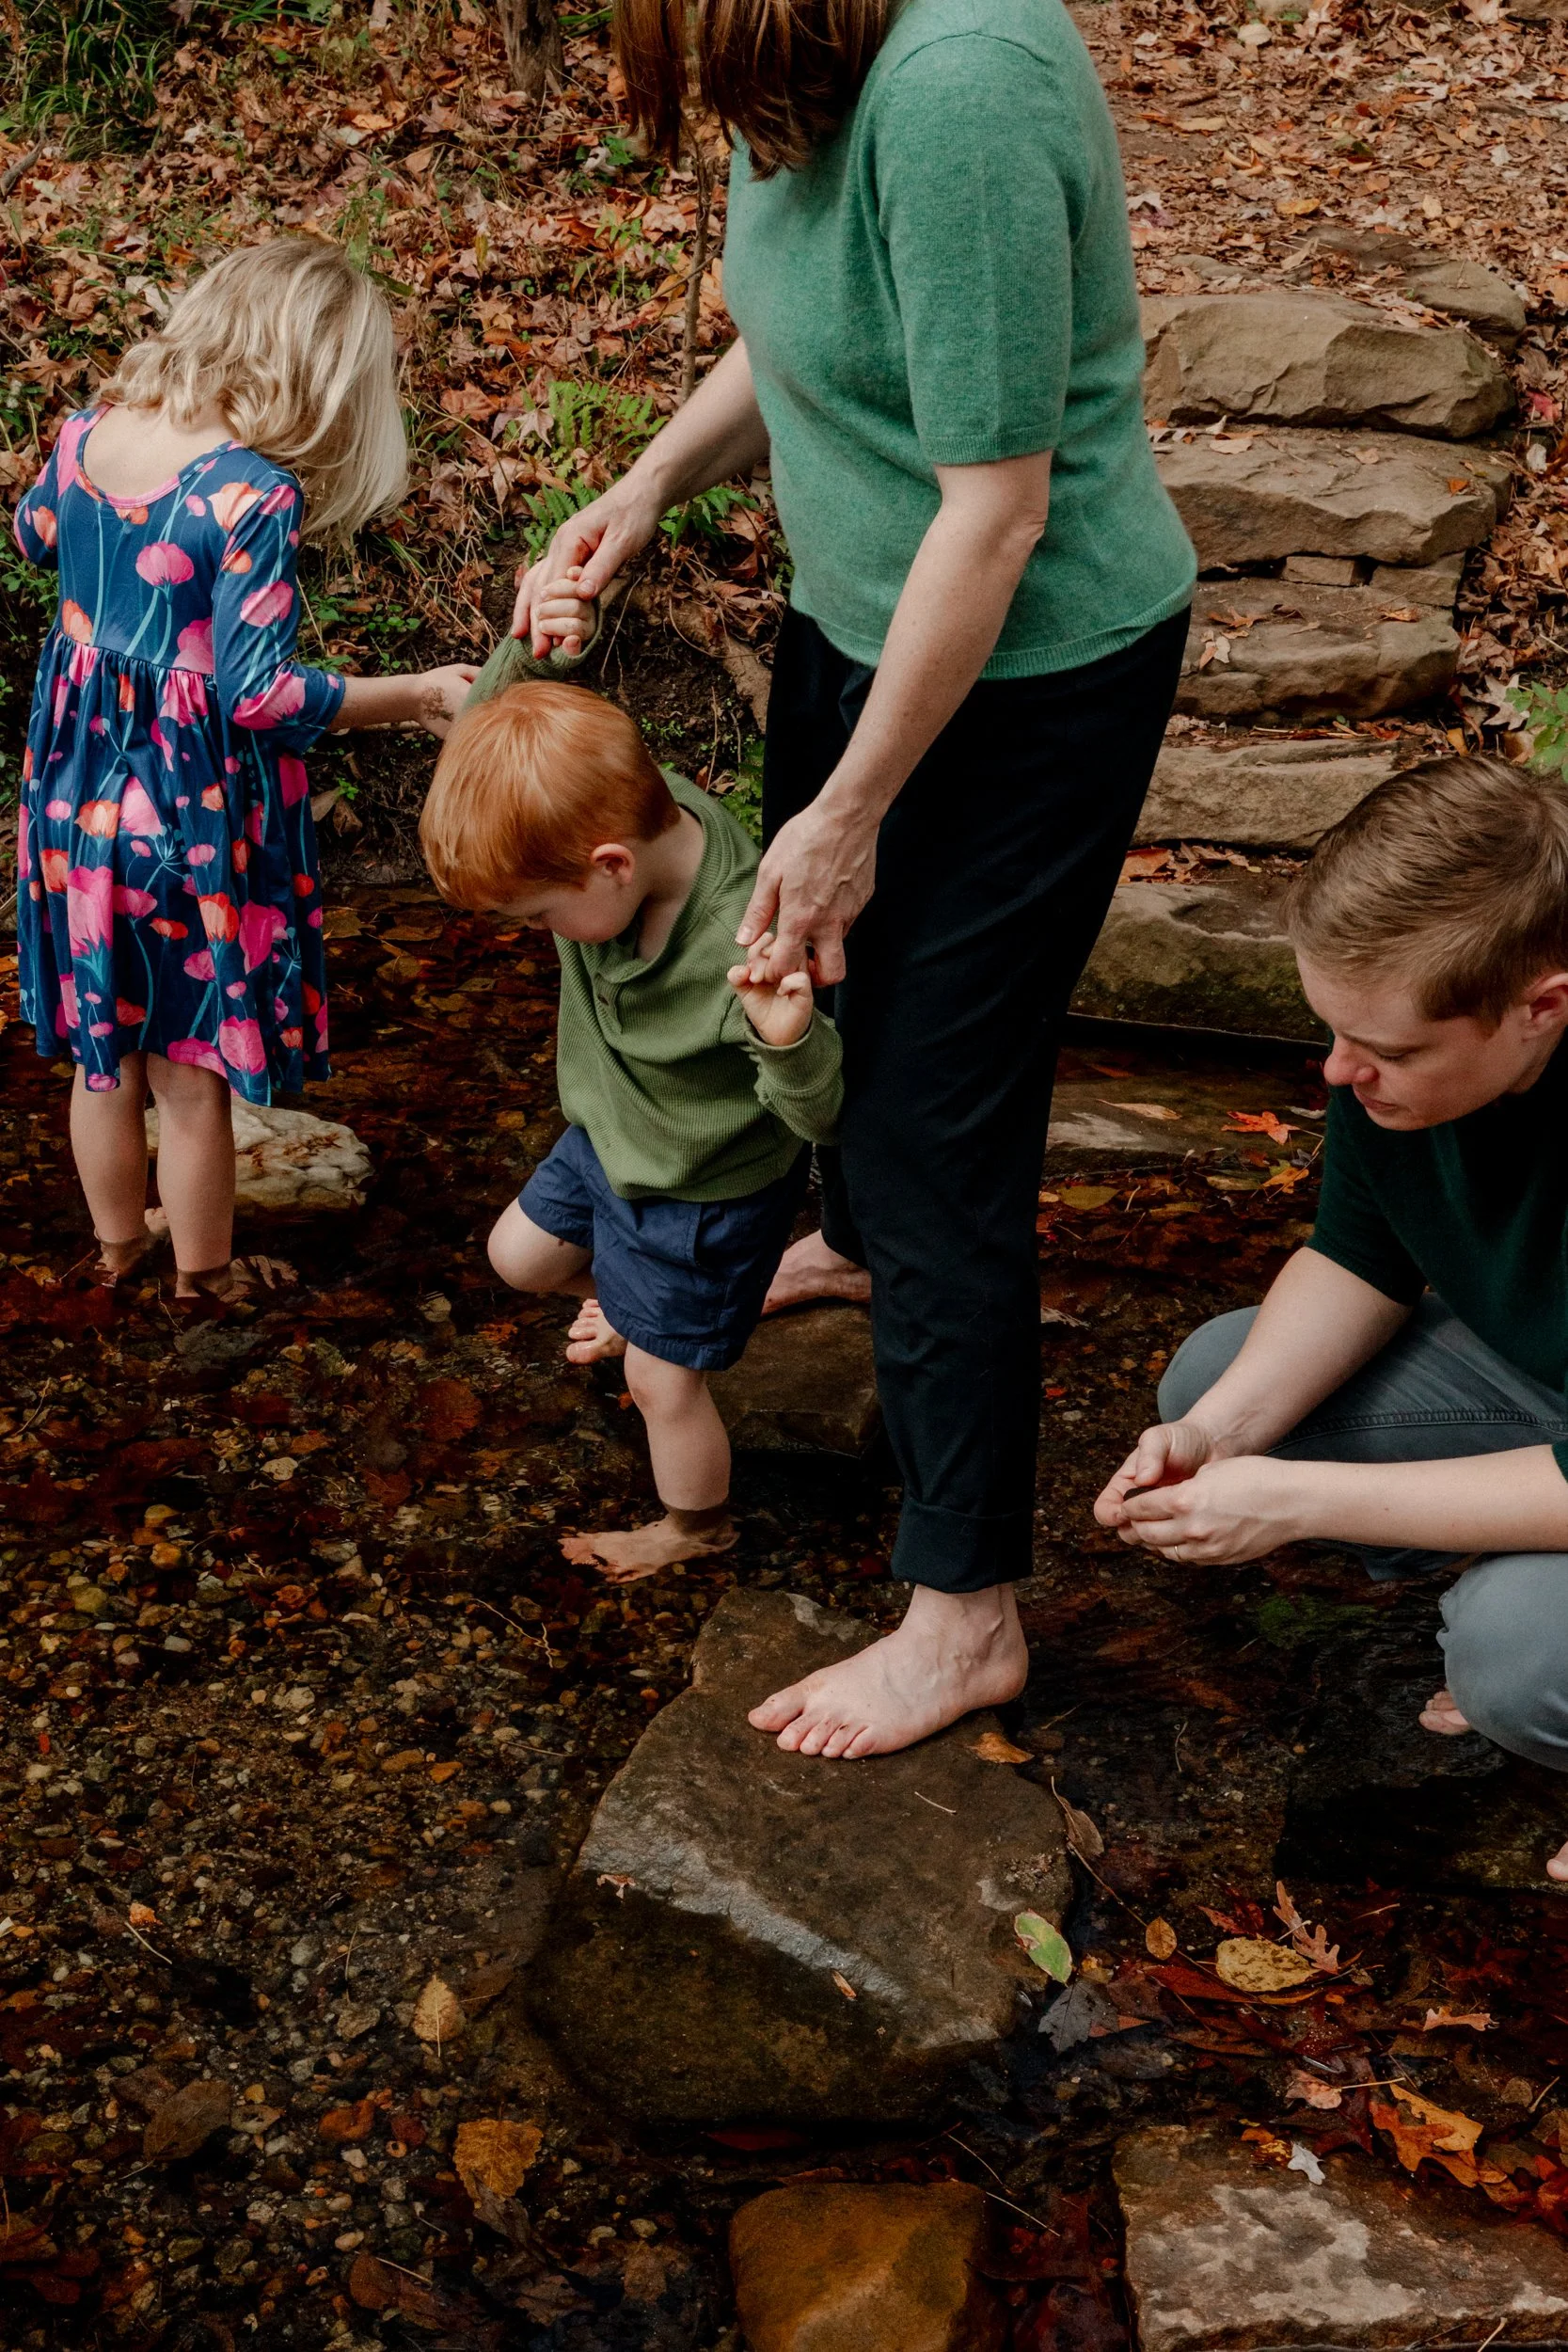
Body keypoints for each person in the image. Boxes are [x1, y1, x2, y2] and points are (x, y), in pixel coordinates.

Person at [510, 0, 1196, 1756]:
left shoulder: (956, 85)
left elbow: (1001, 509)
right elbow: (803, 334)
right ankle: (846, 1242)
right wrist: (653, 482)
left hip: (1023, 673)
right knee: (813, 989)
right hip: (857, 623)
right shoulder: (806, 58)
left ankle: (963, 1611)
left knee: (930, 1120)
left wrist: (853, 807)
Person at [1096, 755, 1568, 1881]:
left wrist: (1294, 1501)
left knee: (1514, 1659)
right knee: (1215, 1379)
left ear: (1538, 1005)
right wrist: (1220, 1439)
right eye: (1329, 1028)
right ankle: (1506, 1557)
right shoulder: (1380, 1060)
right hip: (1538, 1380)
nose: (1336, 1069)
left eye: (1389, 1050)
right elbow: (1358, 1258)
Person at [13, 239, 477, 1308]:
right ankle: (205, 1279)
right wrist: (414, 694)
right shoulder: (250, 495)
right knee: (189, 1075)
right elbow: (257, 696)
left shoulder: (87, 433)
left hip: (74, 809)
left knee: (102, 1058)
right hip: (184, 823)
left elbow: (35, 535)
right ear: (309, 368)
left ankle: (119, 1250)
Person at [419, 676, 843, 1581]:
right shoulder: (631, 800)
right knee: (518, 1258)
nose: (537, 935)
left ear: (610, 865)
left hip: (701, 1190)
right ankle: (628, 1303)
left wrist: (790, 1039)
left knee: (658, 1382)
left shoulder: (743, 947)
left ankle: (698, 1525)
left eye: (536, 916)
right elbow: (502, 720)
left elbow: (822, 1119)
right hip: (612, 1137)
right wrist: (536, 631)